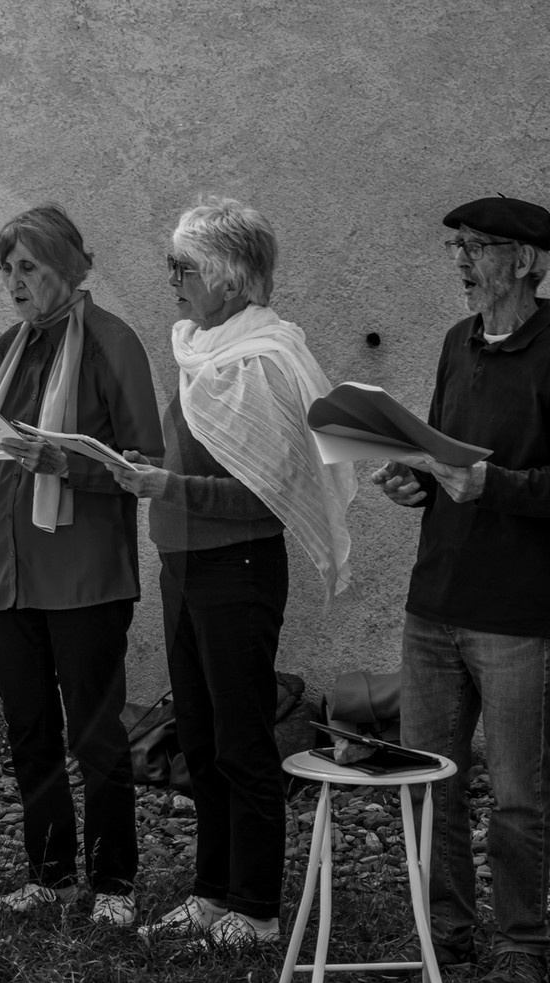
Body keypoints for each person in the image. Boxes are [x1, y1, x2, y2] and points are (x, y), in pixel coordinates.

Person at [112, 196, 355, 945]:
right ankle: (212, 895)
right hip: (185, 566)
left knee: (243, 741)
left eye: (182, 268)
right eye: (172, 266)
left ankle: (255, 908)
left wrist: (167, 486)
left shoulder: (261, 361)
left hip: (237, 567)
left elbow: (264, 492)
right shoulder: (201, 351)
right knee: (199, 737)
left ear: (228, 280)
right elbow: (188, 461)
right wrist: (147, 468)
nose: (172, 283)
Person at [0, 204, 161, 925]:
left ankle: (115, 884)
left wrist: (70, 464)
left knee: (95, 731)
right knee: (30, 731)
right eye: (7, 268)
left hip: (84, 573)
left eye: (28, 266)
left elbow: (147, 464)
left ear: (67, 266)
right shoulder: (10, 345)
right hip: (7, 570)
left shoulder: (112, 342)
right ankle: (52, 873)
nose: (14, 281)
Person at [371, 196, 550, 983]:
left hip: (519, 612)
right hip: (435, 603)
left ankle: (522, 943)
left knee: (519, 794)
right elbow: (438, 452)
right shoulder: (458, 344)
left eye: (478, 247)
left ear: (525, 262)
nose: (460, 260)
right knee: (429, 780)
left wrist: (492, 483)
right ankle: (443, 933)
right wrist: (412, 480)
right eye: (456, 245)